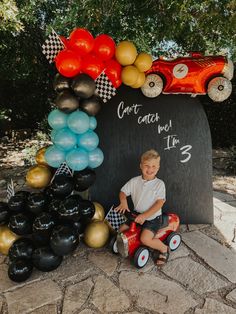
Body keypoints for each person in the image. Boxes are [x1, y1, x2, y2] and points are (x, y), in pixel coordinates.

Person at [115, 149, 169, 266]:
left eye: (154, 166)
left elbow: (159, 203)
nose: (150, 169)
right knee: (121, 229)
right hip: (136, 214)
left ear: (158, 167)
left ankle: (164, 249)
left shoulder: (160, 184)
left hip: (153, 218)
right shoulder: (134, 181)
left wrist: (145, 216)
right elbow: (123, 192)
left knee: (145, 239)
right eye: (146, 166)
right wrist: (123, 202)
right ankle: (124, 244)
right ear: (141, 166)